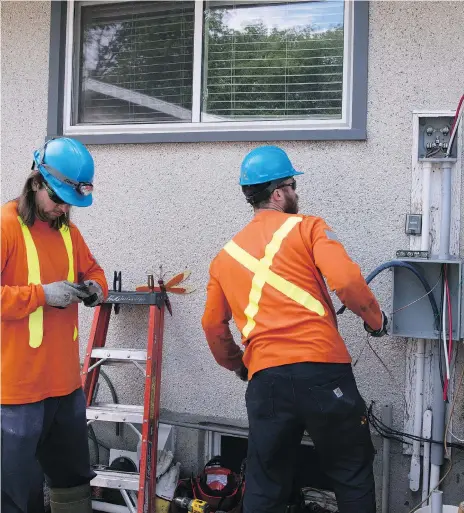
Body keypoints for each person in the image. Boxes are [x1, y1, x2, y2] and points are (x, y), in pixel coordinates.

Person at [201, 145, 388, 513]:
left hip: (266, 380)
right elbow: (348, 281)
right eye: (291, 185)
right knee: (350, 472)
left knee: (265, 482)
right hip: (323, 373)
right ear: (277, 193)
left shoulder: (225, 257)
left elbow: (212, 324)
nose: (295, 193)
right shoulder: (309, 227)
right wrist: (376, 321)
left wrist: (239, 365)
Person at [1, 137, 109, 513]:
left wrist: (97, 287)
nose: (63, 209)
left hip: (64, 386)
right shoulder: (5, 228)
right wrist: (41, 295)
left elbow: (93, 269)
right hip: (16, 392)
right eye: (59, 198)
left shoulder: (68, 232)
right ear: (36, 182)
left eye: (70, 202)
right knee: (18, 493)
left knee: (73, 479)